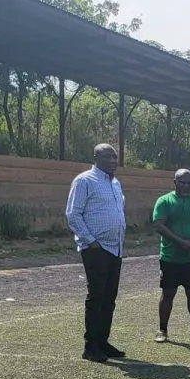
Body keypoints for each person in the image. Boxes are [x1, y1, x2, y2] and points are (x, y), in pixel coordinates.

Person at [66, 143, 127, 362]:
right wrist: (90, 241)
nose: (113, 161)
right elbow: (73, 214)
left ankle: (103, 341)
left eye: (115, 157)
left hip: (115, 248)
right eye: (108, 157)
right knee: (97, 296)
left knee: (109, 297)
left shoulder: (116, 183)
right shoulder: (84, 181)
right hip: (96, 248)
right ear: (96, 158)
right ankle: (90, 346)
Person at [150, 168, 190, 343]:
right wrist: (179, 242)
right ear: (175, 182)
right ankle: (162, 330)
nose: (186, 186)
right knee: (168, 293)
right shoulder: (164, 201)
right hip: (170, 257)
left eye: (189, 183)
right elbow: (159, 225)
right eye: (183, 182)